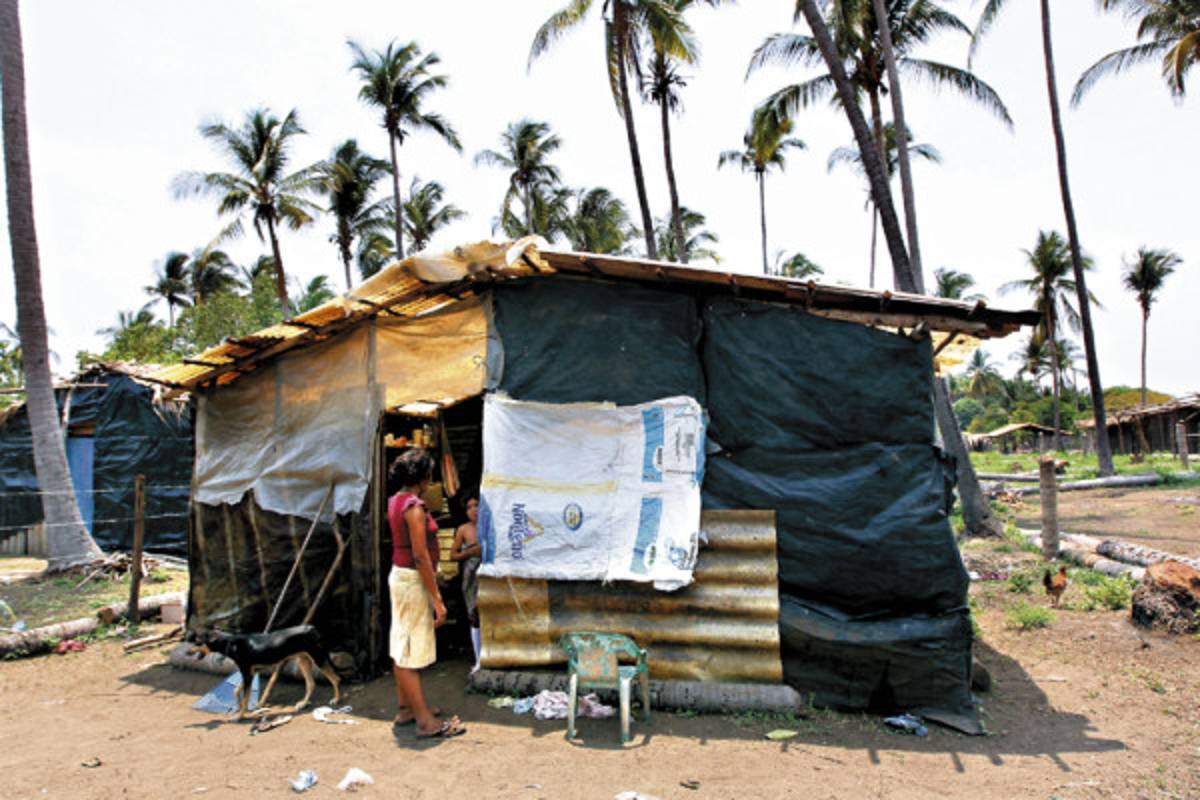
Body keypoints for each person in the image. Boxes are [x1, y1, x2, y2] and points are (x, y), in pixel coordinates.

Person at [387, 447, 465, 738]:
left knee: (401, 643)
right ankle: (424, 722)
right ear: (425, 477)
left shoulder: (396, 501)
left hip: (402, 577)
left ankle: (406, 708)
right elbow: (420, 556)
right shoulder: (414, 507)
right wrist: (438, 600)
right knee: (409, 651)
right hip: (412, 580)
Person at [449, 496, 482, 673]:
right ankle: (478, 660)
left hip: (488, 575)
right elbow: (452, 556)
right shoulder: (463, 530)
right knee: (474, 615)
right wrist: (470, 552)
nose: (473, 510)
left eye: (477, 505)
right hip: (471, 577)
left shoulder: (490, 526)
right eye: (469, 507)